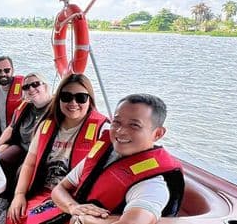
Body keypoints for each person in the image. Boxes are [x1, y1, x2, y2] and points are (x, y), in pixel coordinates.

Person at [49, 94, 184, 224]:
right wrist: (73, 207)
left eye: (134, 125)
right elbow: (60, 188)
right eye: (117, 122)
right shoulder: (104, 153)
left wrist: (84, 219)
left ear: (158, 134)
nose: (120, 131)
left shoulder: (153, 184)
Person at [6, 74, 109, 224]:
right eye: (66, 97)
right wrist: (19, 195)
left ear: (90, 100)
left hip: (75, 198)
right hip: (44, 194)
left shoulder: (103, 131)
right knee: (14, 217)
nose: (73, 103)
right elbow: (29, 164)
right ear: (59, 98)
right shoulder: (46, 126)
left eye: (81, 98)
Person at [0, 72, 53, 217]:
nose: (31, 89)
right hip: (23, 147)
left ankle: (13, 203)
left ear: (45, 85)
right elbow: (11, 128)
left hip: (40, 154)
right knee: (2, 158)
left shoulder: (55, 109)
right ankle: (2, 199)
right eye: (26, 87)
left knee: (21, 172)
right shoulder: (26, 107)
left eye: (35, 84)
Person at [0, 56, 24, 143]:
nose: (3, 74)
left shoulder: (23, 86)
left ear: (12, 70)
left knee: (2, 149)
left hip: (17, 136)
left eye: (7, 70)